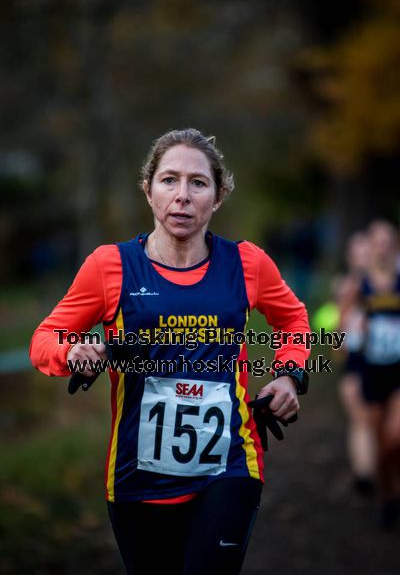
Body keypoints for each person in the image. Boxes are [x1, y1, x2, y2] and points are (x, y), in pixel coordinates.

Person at [30, 128, 310, 574]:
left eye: (198, 183)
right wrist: (74, 352)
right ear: (148, 190)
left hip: (230, 465)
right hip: (136, 479)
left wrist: (288, 373)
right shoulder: (110, 266)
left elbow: (293, 320)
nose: (182, 195)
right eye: (169, 180)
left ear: (218, 197)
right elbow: (45, 340)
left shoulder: (247, 263)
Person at [357, 220, 400, 529]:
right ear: (370, 247)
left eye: (388, 241)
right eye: (378, 242)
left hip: (398, 371)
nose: (383, 247)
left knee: (394, 437)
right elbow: (340, 338)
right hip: (371, 372)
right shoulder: (357, 287)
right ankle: (388, 498)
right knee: (381, 444)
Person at [337, 232, 376, 495]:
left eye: (366, 253)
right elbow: (337, 339)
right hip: (356, 363)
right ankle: (364, 474)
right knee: (360, 420)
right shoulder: (346, 288)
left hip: (387, 366)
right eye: (357, 254)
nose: (362, 259)